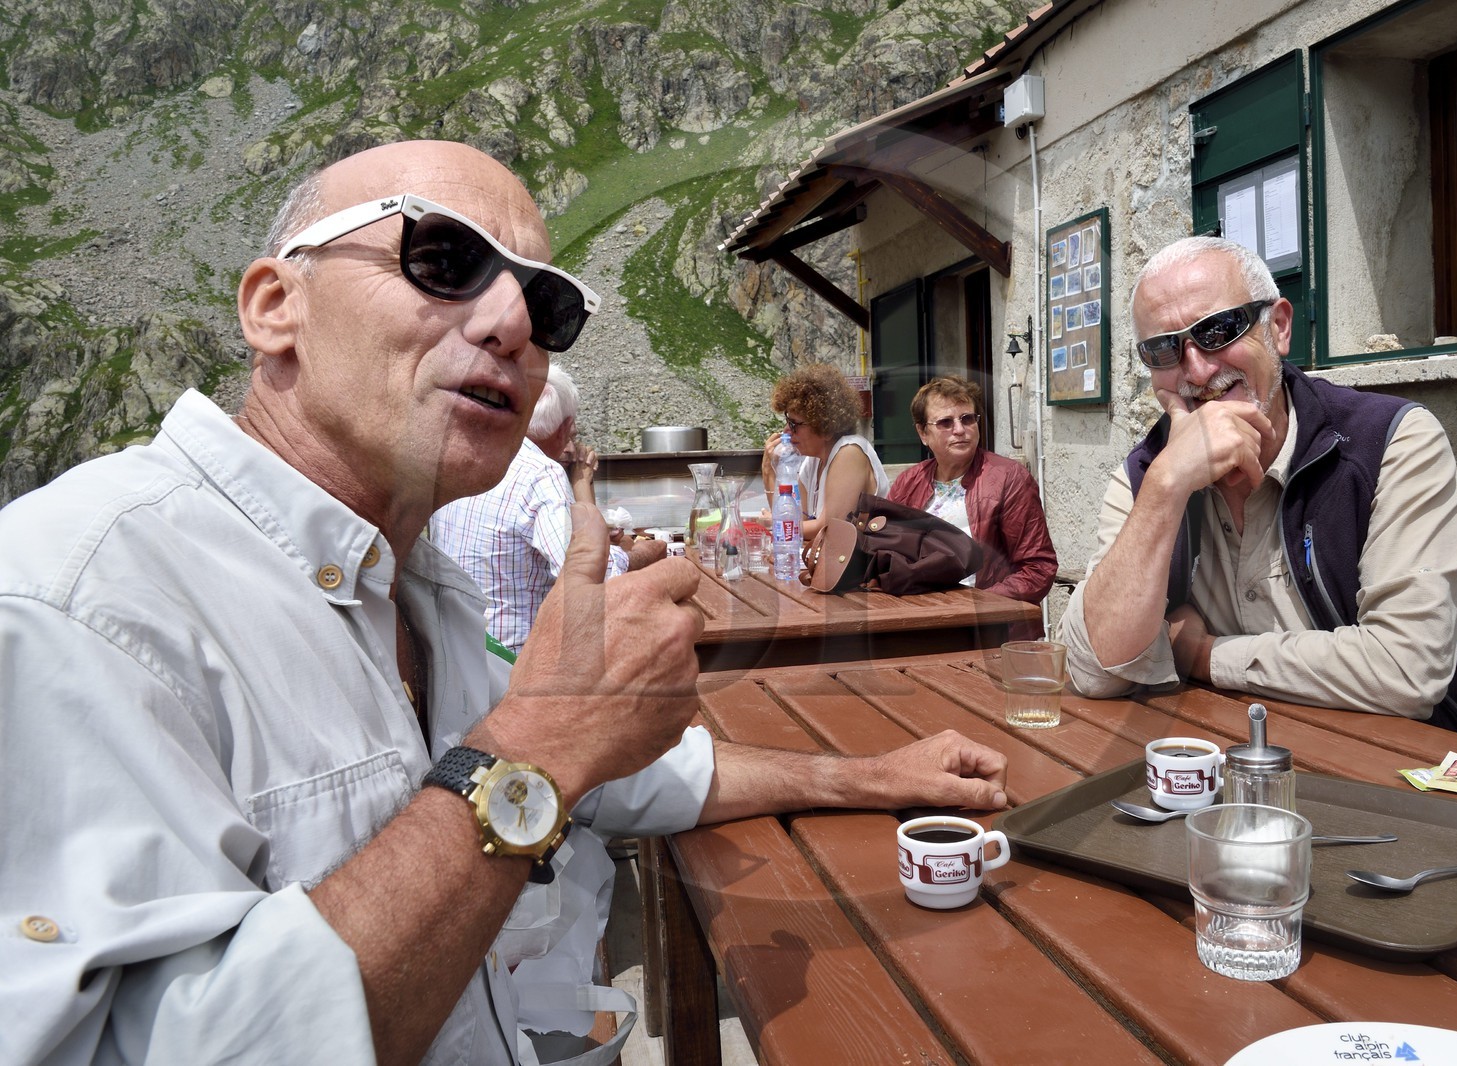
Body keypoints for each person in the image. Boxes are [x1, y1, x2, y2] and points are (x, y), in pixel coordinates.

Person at [0, 140, 1012, 1066]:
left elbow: (621, 780)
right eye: (442, 259)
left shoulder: (416, 577)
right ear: (274, 306)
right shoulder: (74, 599)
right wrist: (536, 745)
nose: (514, 324)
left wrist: (873, 771)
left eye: (549, 305)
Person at [1060, 235, 1457, 738]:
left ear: (1279, 328)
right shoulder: (1147, 476)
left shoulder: (1391, 441)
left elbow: (1406, 669)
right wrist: (1168, 484)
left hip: (1400, 769)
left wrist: (1200, 653)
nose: (1197, 369)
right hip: (1225, 763)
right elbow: (1092, 669)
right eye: (1164, 348)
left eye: (1219, 330)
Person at [431, 362, 665, 655]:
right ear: (564, 428)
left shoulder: (468, 455)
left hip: (458, 647)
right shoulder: (541, 473)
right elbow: (597, 578)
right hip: (514, 663)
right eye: (574, 433)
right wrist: (643, 553)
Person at [886, 375, 1058, 610]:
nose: (959, 430)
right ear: (923, 433)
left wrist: (975, 605)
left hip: (986, 623)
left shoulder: (1008, 478)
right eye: (945, 422)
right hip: (917, 613)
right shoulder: (908, 482)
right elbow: (888, 554)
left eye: (967, 419)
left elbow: (1038, 568)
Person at [761, 362, 889, 540]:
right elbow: (796, 520)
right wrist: (768, 470)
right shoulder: (812, 461)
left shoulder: (850, 452)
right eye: (787, 421)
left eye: (794, 424)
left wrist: (778, 525)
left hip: (865, 563)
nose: (786, 431)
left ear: (826, 427)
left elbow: (829, 527)